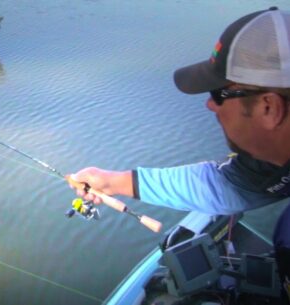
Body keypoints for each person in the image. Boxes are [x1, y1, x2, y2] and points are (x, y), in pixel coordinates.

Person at [68, 7, 290, 302]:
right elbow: (229, 185)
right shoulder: (271, 164)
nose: (210, 106)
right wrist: (113, 182)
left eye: (218, 94)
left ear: (268, 108)